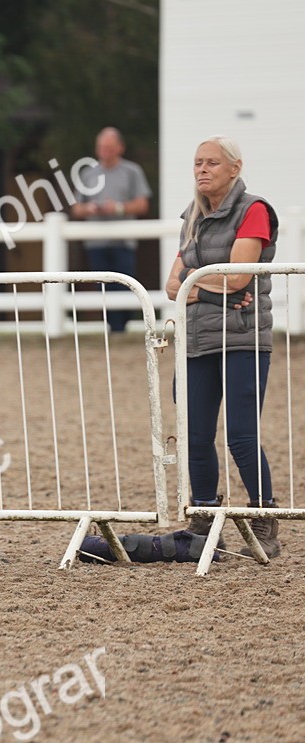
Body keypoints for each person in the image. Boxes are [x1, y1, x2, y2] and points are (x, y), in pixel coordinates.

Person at [164, 135, 281, 558]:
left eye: (212, 162)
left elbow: (239, 278)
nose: (203, 169)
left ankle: (265, 518)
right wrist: (205, 289)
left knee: (241, 436)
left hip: (243, 340)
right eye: (198, 162)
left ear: (235, 168)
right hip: (197, 340)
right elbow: (172, 285)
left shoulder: (254, 210)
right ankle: (203, 519)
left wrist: (195, 284)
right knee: (195, 434)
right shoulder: (191, 216)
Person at [71, 127, 152, 333]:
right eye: (101, 147)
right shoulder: (88, 173)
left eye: (108, 147)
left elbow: (143, 204)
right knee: (104, 286)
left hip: (123, 241)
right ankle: (114, 328)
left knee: (125, 284)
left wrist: (118, 208)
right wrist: (91, 208)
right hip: (96, 241)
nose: (104, 151)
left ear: (119, 148)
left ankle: (122, 326)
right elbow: (76, 208)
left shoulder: (132, 171)